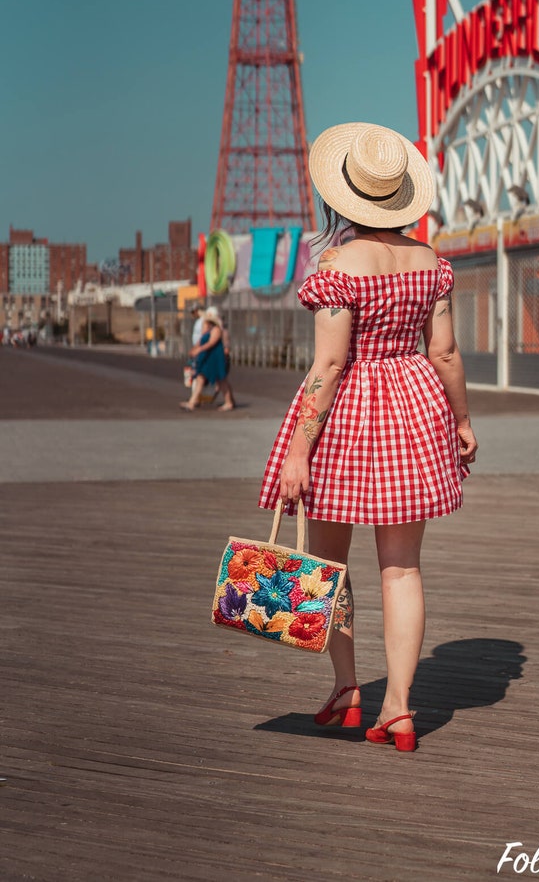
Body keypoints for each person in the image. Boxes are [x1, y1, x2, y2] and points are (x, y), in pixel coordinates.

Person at [259, 122, 477, 752]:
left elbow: (328, 367)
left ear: (344, 197)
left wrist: (298, 451)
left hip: (350, 415)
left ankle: (350, 688)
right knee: (402, 570)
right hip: (413, 407)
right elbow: (446, 353)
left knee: (328, 565)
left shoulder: (336, 266)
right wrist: (461, 421)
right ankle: (402, 710)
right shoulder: (432, 264)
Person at [181, 306, 236, 412]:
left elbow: (211, 343)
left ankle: (229, 402)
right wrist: (194, 349)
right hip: (207, 357)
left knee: (221, 380)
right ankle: (192, 402)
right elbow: (201, 341)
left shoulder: (216, 330)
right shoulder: (207, 330)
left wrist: (199, 349)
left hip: (215, 358)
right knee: (201, 378)